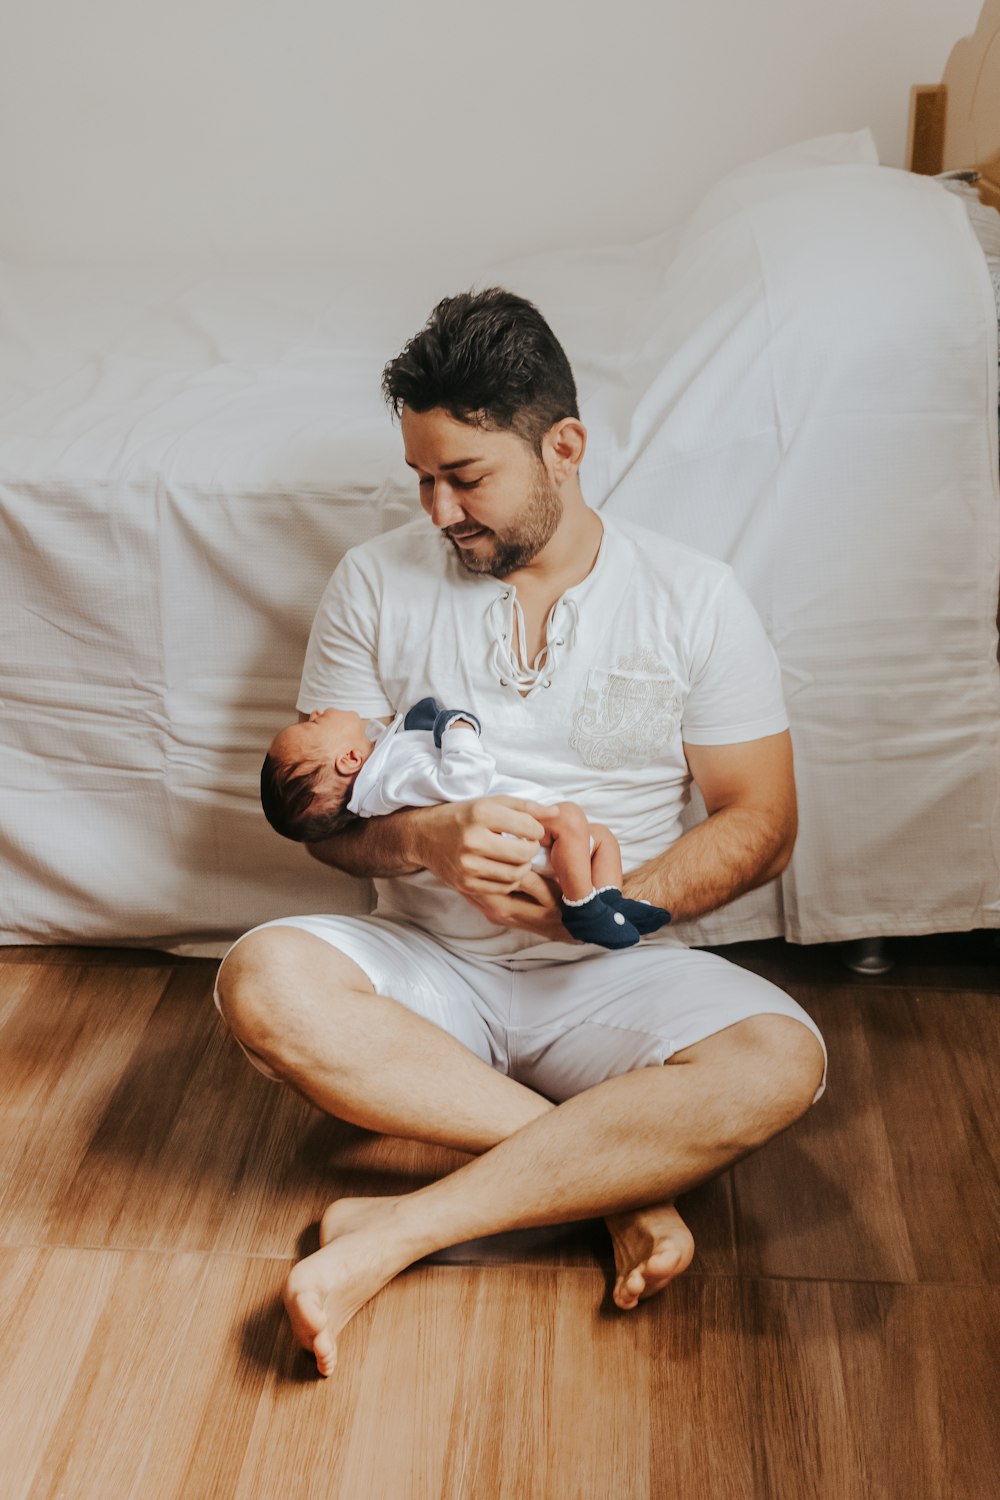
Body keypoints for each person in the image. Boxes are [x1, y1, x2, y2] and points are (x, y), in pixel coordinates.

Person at [215, 287, 828, 1378]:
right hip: (429, 965)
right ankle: (618, 1185)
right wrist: (429, 839)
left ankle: (398, 1231)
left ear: (564, 447)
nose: (439, 509)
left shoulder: (695, 598)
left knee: (780, 1061)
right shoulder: (371, 582)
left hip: (615, 975)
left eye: (466, 477)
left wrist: (616, 908)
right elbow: (328, 827)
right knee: (260, 980)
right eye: (421, 478)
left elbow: (763, 823)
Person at [260, 697, 673, 948]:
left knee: (600, 839)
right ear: (350, 759)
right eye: (313, 724)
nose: (313, 712)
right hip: (509, 832)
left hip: (511, 826)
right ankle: (584, 906)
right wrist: (458, 728)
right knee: (573, 820)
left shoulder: (382, 768)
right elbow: (464, 780)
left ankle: (612, 905)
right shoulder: (391, 775)